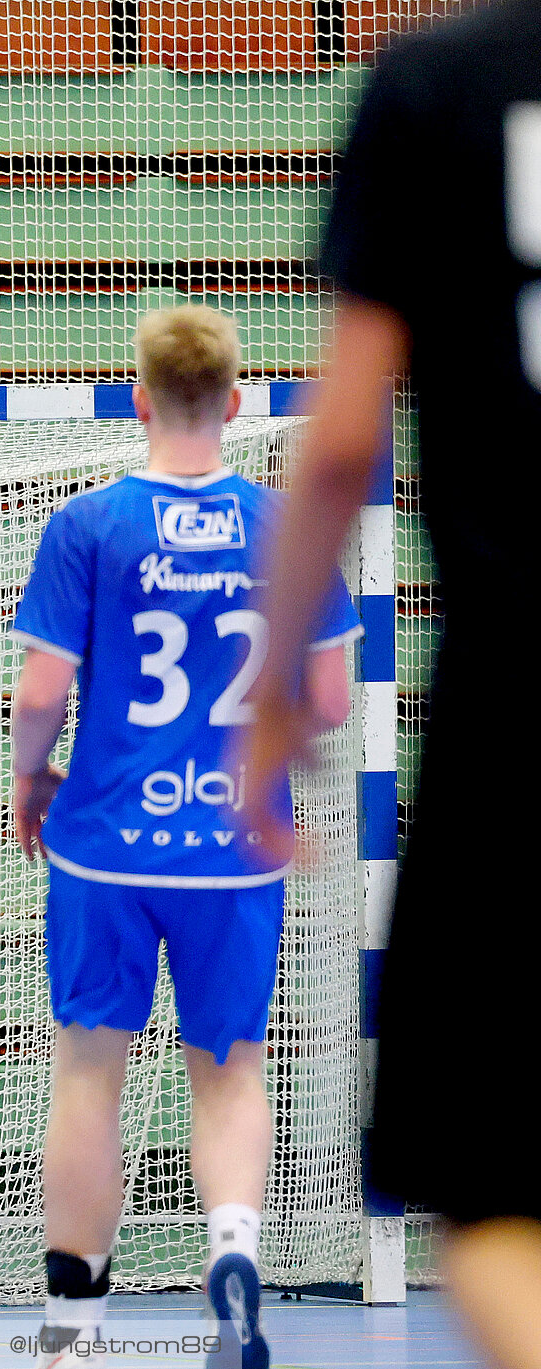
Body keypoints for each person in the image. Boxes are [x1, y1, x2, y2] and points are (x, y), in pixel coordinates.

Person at [239, 6, 541, 1365]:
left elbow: (345, 429)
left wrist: (280, 687)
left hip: (517, 700)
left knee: (485, 1200)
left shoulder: (436, 84)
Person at [8, 305, 360, 1369]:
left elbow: (41, 690)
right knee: (232, 1070)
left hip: (107, 840)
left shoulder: (90, 524)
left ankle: (72, 1325)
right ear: (239, 401)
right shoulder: (282, 522)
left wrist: (30, 780)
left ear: (139, 397)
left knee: (86, 1077)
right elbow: (336, 699)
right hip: (235, 844)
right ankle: (233, 1255)